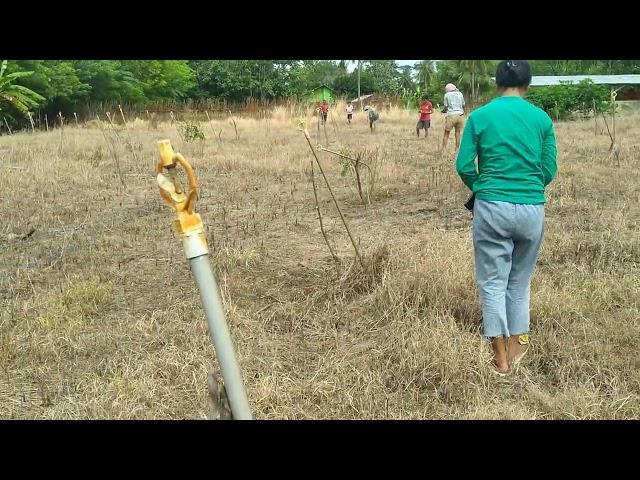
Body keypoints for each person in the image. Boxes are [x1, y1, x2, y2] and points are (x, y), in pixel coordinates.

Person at [455, 60, 558, 376]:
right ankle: (519, 344)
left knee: (492, 281)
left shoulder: (481, 116)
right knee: (520, 280)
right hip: (531, 208)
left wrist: (483, 188)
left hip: (492, 206)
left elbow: (464, 166)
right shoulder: (541, 118)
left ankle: (499, 358)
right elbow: (549, 169)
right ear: (528, 83)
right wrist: (526, 188)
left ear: (496, 82)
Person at [441, 83, 466, 153]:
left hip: (451, 115)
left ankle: (443, 149)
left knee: (446, 133)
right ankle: (457, 149)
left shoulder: (446, 95)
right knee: (457, 133)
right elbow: (463, 104)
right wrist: (464, 112)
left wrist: (443, 111)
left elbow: (446, 107)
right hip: (460, 115)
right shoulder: (460, 94)